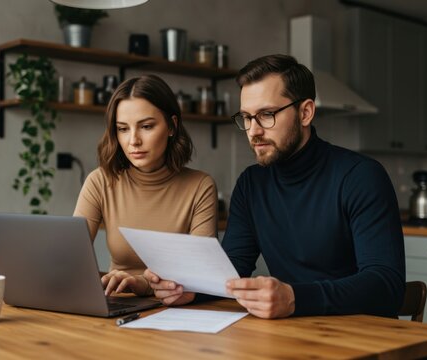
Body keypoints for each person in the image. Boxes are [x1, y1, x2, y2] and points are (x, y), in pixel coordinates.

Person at [144, 54, 405, 319]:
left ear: (305, 113)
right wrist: (192, 290)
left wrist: (294, 298)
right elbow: (232, 270)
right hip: (293, 333)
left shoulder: (361, 176)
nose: (253, 131)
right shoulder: (251, 184)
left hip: (365, 334)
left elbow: (386, 285)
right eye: (246, 117)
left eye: (266, 115)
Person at [74, 75, 218, 297]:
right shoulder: (100, 181)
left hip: (174, 308)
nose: (133, 140)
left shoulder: (200, 186)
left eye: (146, 126)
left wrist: (142, 283)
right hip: (117, 303)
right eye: (123, 129)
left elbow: (198, 273)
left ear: (172, 126)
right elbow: (69, 258)